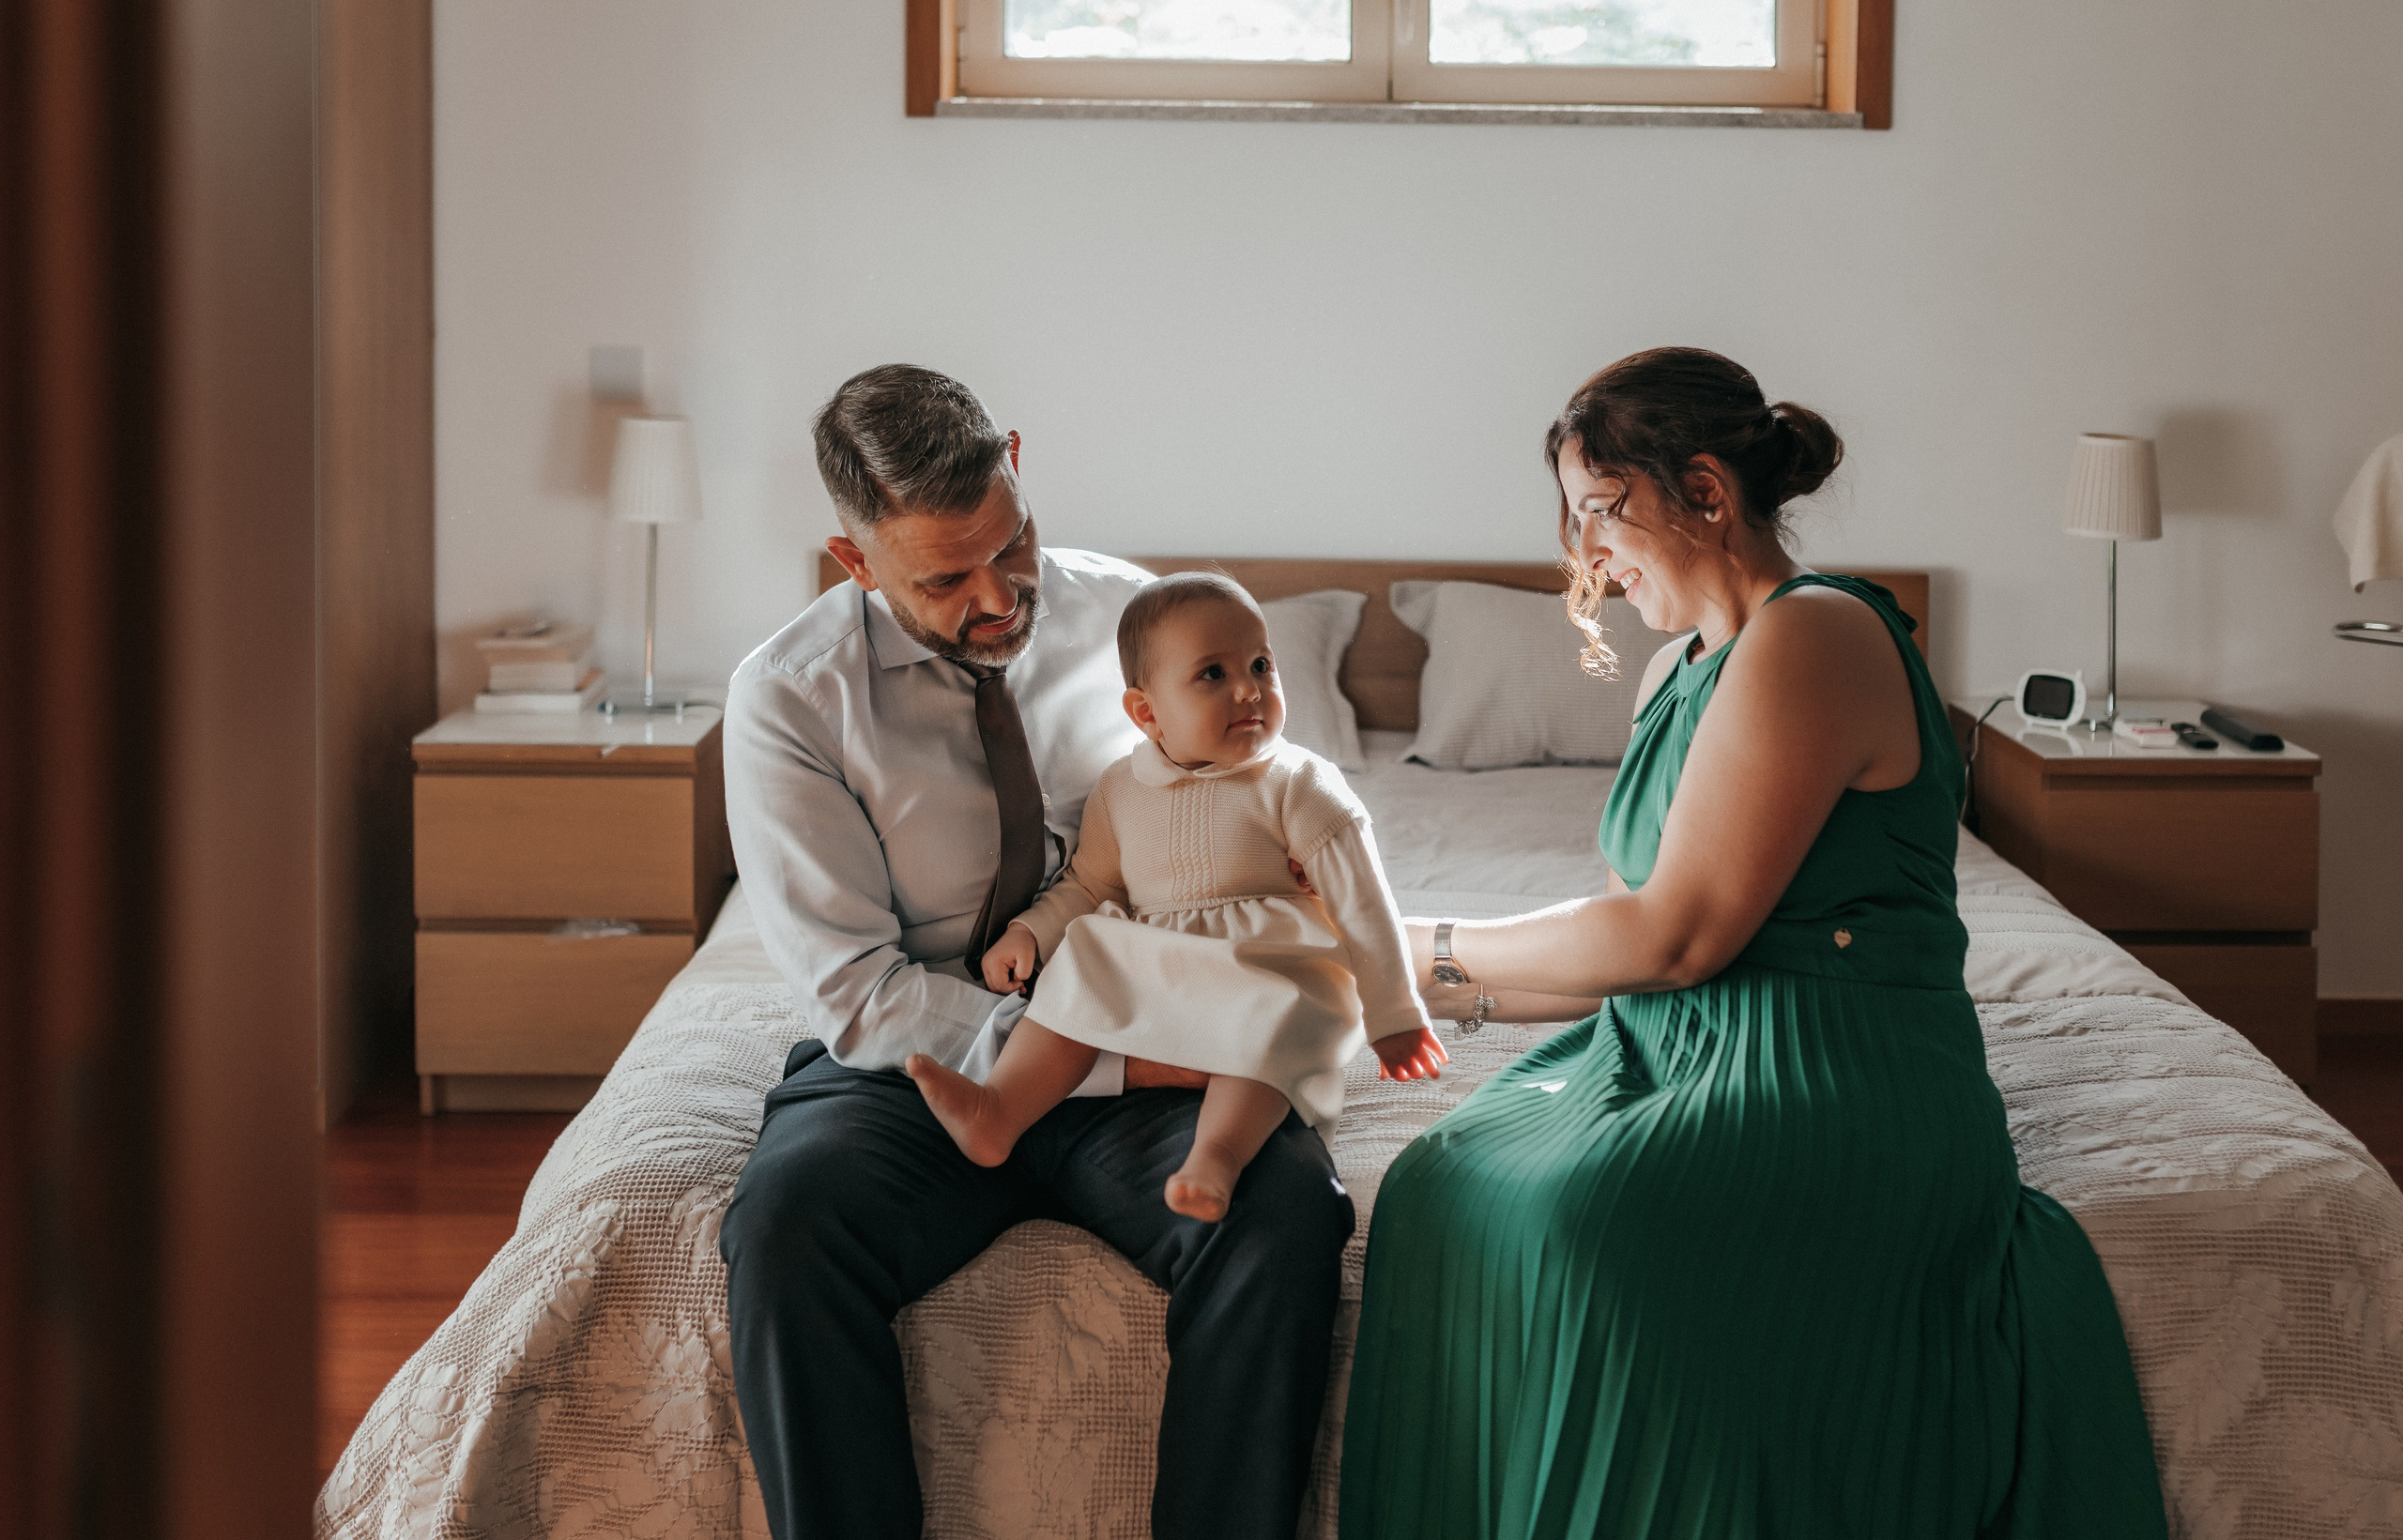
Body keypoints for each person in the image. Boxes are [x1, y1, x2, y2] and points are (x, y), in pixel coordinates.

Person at [1340, 348, 2167, 1538]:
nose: (1585, 559)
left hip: (1833, 1068)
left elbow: (1670, 935)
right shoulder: (1675, 668)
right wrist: (1402, 983)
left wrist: (1395, 942)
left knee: (1592, 1222)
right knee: (1436, 1180)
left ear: (1708, 492)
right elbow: (1622, 952)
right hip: (1676, 1045)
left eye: (1599, 515)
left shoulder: (1814, 633)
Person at [718, 365, 1355, 1540]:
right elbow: (858, 992)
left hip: (1157, 1017)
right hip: (921, 1063)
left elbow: (1263, 806)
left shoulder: (1145, 622)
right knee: (786, 1222)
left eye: (1010, 548)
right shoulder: (790, 701)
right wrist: (1115, 1061)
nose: (1000, 597)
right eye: (945, 578)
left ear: (1016, 456)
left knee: (1284, 1207)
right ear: (855, 561)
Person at [908, 571, 1448, 1221]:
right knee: (1087, 951)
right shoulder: (1121, 788)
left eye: (1260, 663)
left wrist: (1394, 1015)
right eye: (1213, 674)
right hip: (1164, 978)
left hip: (1265, 968)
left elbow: (1366, 903)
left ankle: (1215, 1157)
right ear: (1146, 711)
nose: (1250, 688)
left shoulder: (1299, 782)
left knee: (1275, 1019)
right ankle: (999, 1109)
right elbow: (1090, 885)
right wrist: (1030, 931)